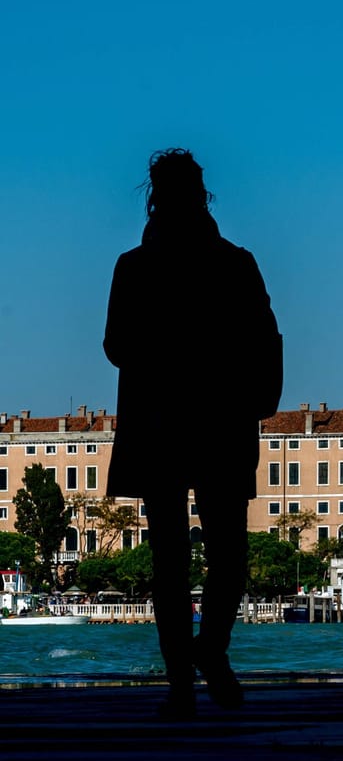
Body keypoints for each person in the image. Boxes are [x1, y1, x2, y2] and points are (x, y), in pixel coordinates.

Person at [105, 149, 281, 718]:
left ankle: (181, 682)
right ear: (203, 196)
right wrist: (259, 400)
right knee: (228, 553)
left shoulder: (133, 267)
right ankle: (212, 653)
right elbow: (267, 338)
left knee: (170, 560)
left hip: (158, 424)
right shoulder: (236, 263)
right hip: (222, 423)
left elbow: (115, 347)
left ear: (154, 197)